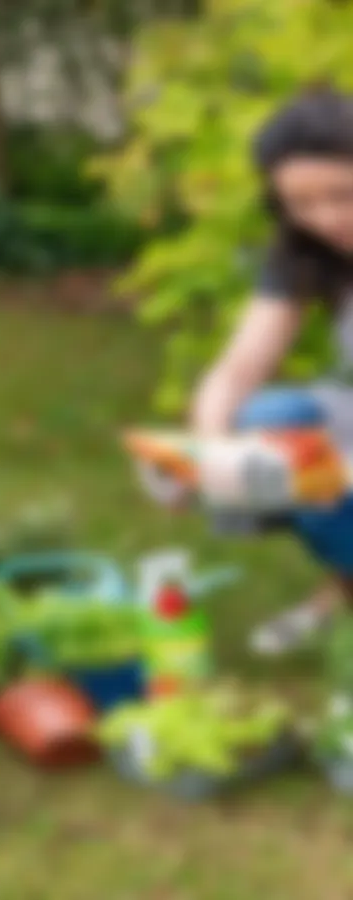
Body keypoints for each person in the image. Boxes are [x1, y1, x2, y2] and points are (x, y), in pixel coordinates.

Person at [176, 87, 353, 655]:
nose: (326, 218)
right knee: (267, 420)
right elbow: (236, 370)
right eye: (302, 204)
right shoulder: (308, 251)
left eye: (342, 194)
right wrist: (207, 455)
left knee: (316, 470)